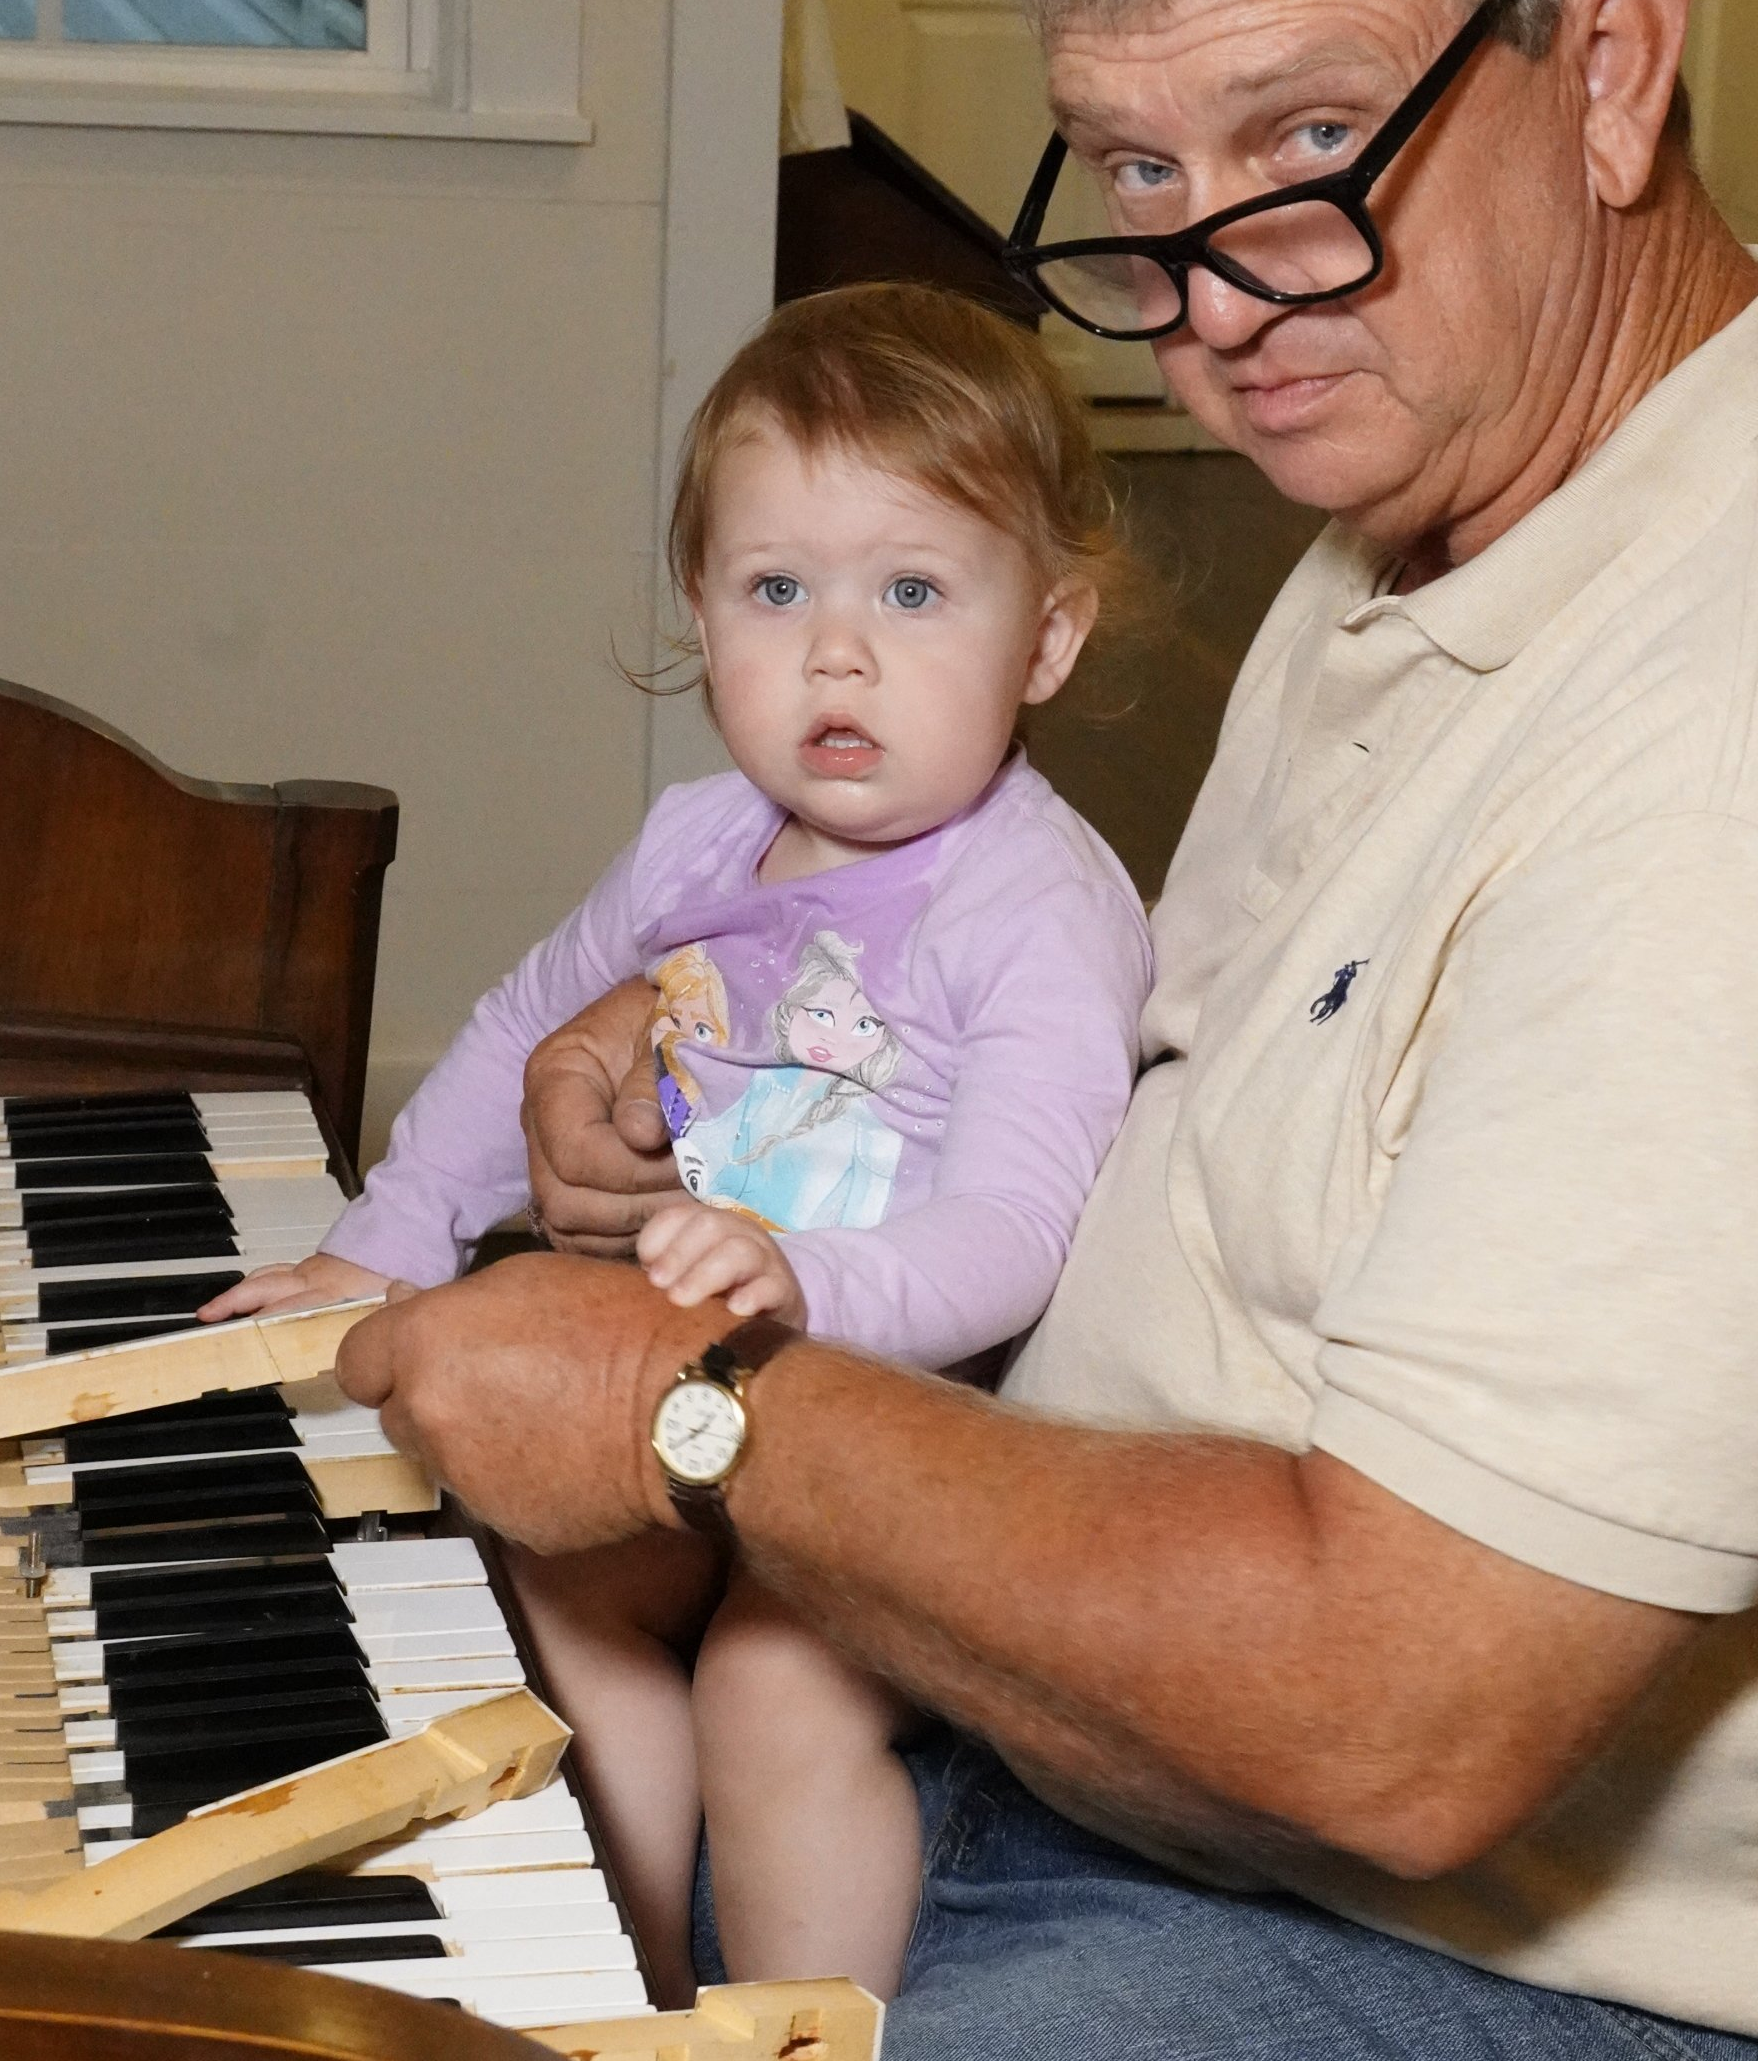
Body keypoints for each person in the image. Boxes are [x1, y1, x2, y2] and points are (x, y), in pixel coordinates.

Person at [336, 0, 1758, 2061]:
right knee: (354, 1801)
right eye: (1138, 173)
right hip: (1106, 1730)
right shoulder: (1421, 503)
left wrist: (682, 1397)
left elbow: (1393, 1713)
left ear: (1604, 72)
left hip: (1455, 1940)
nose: (1212, 303)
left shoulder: (1753, 743)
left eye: (1297, 144)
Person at [202, 283, 1151, 2001]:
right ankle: (609, 1984)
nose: (835, 654)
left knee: (773, 1692)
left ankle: (780, 2036)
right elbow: (517, 1034)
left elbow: (1019, 1222)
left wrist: (807, 1280)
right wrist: (392, 1242)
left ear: (1048, 639)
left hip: (910, 1446)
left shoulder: (1033, 904)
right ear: (700, 616)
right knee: (551, 1593)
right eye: (775, 590)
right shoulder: (695, 841)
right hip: (672, 1401)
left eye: (914, 592)